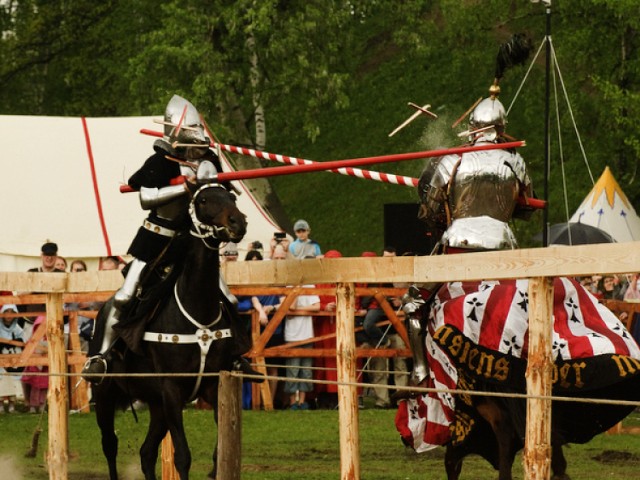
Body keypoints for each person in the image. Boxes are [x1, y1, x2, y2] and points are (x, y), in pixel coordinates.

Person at [82, 94, 259, 380]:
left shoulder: (208, 160)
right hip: (156, 238)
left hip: (191, 240)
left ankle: (235, 356)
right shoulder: (160, 162)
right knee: (127, 294)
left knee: (226, 296)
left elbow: (219, 194)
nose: (194, 147)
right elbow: (147, 198)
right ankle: (101, 356)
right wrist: (184, 188)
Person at [403, 85, 535, 384]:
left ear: (472, 128)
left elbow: (429, 211)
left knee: (414, 302)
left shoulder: (454, 159)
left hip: (458, 245)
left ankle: (420, 372)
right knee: (522, 306)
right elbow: (527, 209)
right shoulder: (515, 161)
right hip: (503, 248)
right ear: (502, 129)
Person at [283, 261, 320, 410]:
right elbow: (290, 309)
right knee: (292, 369)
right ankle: (293, 401)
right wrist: (296, 292)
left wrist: (301, 309)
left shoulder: (310, 286)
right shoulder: (288, 287)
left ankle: (302, 401)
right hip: (292, 335)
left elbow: (316, 307)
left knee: (306, 369)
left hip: (307, 334)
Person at [21, 315, 48, 413]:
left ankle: (42, 405)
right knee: (34, 386)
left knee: (44, 387)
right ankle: (33, 405)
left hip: (46, 367)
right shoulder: (32, 338)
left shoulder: (50, 339)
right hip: (34, 366)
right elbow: (28, 350)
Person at [0, 304, 24, 413]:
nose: (9, 315)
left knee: (12, 380)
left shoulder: (17, 328)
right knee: (1, 380)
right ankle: (0, 405)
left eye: (11, 312)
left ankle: (11, 405)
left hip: (13, 359)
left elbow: (23, 341)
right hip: (1, 357)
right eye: (7, 312)